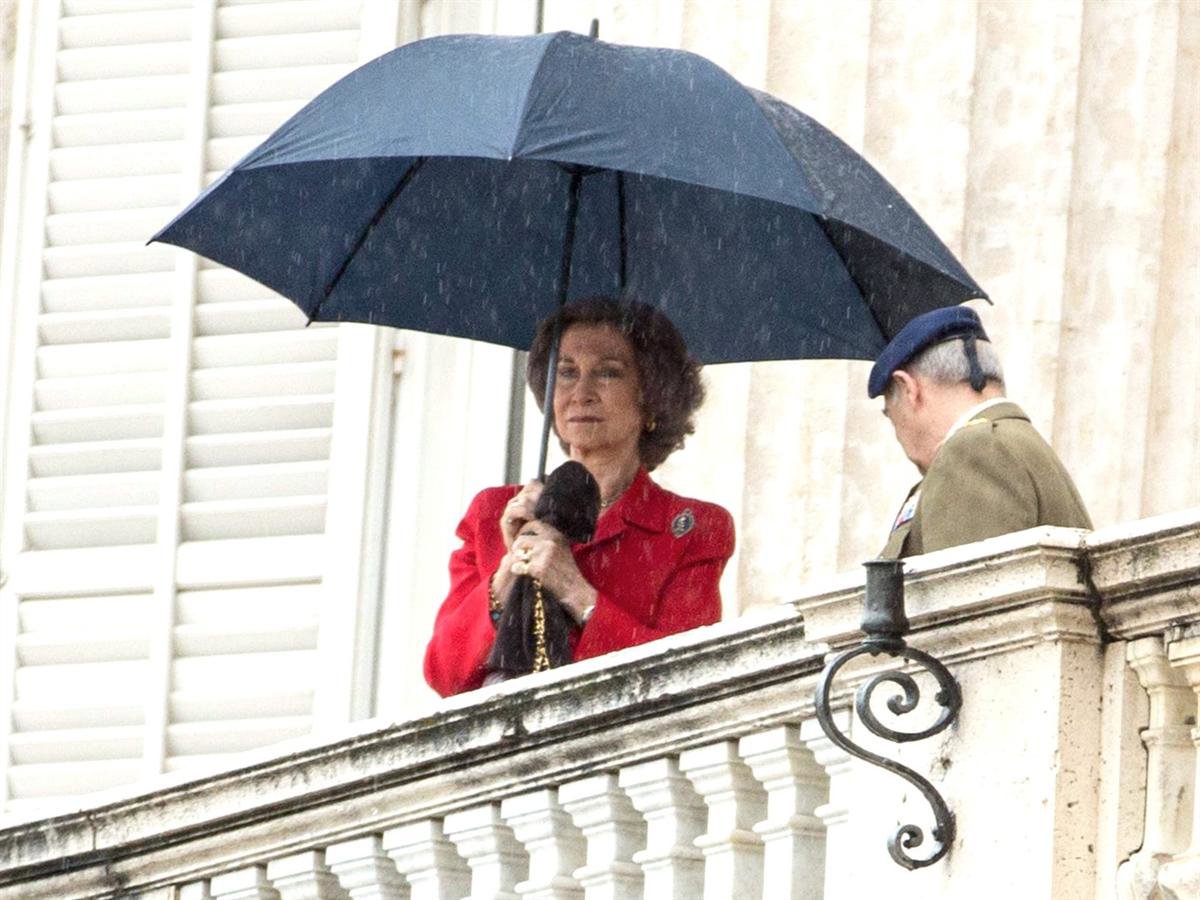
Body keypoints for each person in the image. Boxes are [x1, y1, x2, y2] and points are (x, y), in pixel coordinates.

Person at [424, 298, 736, 697]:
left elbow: (684, 679)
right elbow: (444, 674)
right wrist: (510, 568)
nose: (581, 393)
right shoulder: (493, 512)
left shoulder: (693, 528)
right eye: (566, 372)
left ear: (651, 395)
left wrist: (575, 591)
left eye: (608, 372)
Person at [870, 306, 1091, 559]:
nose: (898, 434)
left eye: (890, 414)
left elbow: (964, 583)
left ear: (909, 389)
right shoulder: (1014, 443)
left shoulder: (973, 451)